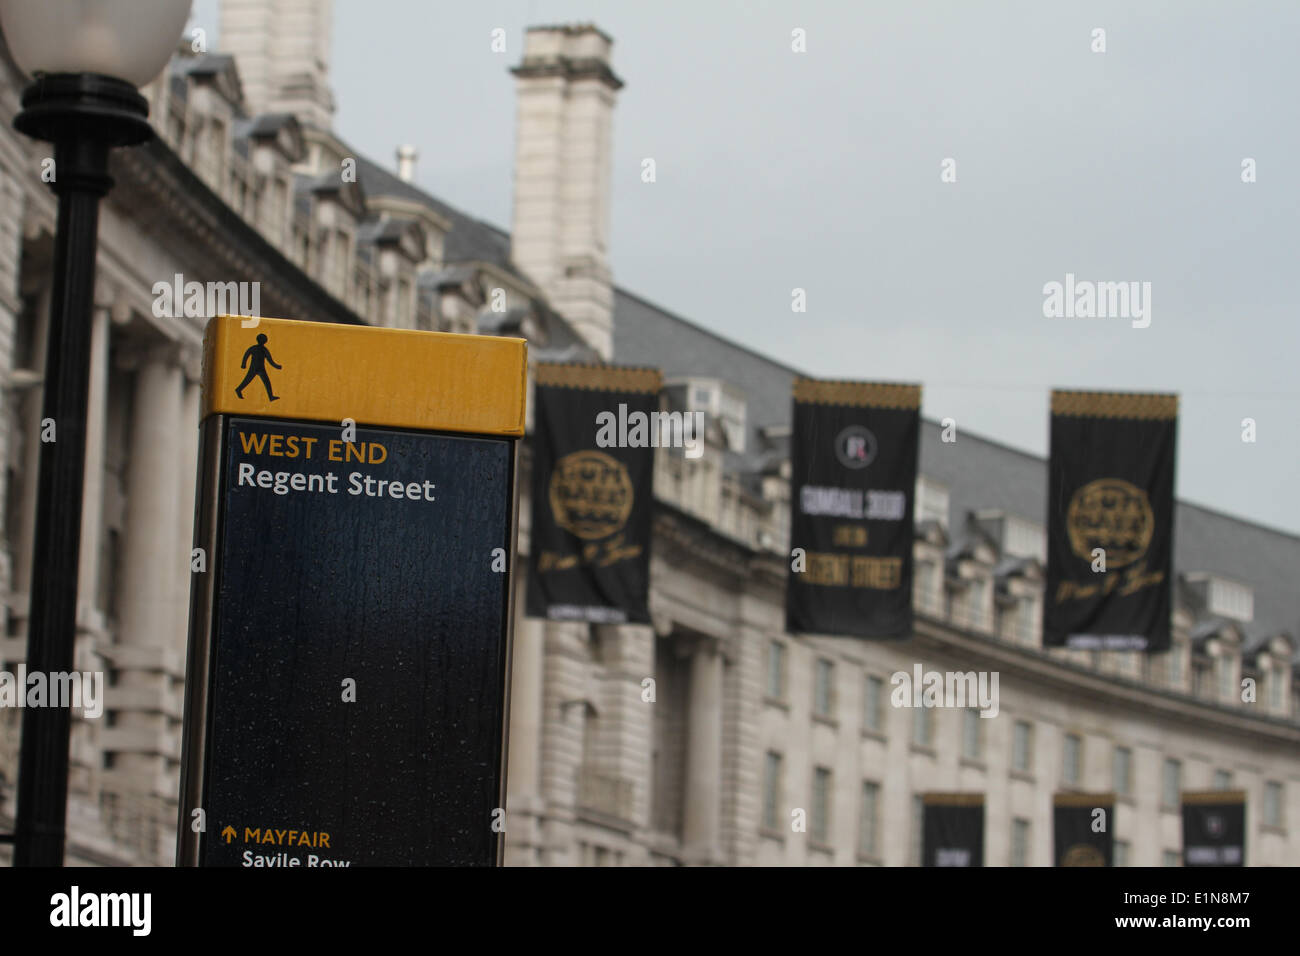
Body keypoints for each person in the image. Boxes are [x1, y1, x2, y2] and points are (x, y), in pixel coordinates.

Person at [235, 333, 281, 401]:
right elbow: (247, 354)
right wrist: (243, 364)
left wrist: (276, 366)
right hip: (254, 368)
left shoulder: (264, 349)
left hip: (261, 368)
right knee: (247, 380)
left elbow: (270, 360)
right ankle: (238, 389)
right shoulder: (255, 348)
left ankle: (271, 397)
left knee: (267, 382)